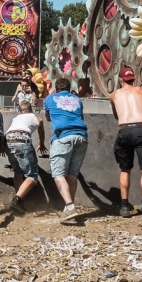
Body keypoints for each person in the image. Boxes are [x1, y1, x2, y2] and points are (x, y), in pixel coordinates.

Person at [109, 67, 142, 224]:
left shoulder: (114, 95)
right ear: (134, 79)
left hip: (124, 130)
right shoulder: (141, 91)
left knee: (125, 169)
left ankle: (124, 206)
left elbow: (116, 114)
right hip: (141, 129)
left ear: (121, 80)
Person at [44, 77, 89, 223]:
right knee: (72, 175)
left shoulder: (50, 99)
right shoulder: (77, 100)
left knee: (58, 175)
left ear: (56, 89)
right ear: (69, 89)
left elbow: (48, 118)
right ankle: (69, 207)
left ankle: (69, 206)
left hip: (63, 136)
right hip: (81, 136)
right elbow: (79, 116)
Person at [5, 100, 47, 215]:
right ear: (31, 110)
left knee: (18, 172)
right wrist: (41, 143)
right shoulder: (36, 118)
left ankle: (20, 202)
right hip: (22, 140)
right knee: (32, 175)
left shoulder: (16, 118)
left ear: (20, 111)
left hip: (8, 140)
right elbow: (41, 130)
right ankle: (17, 199)